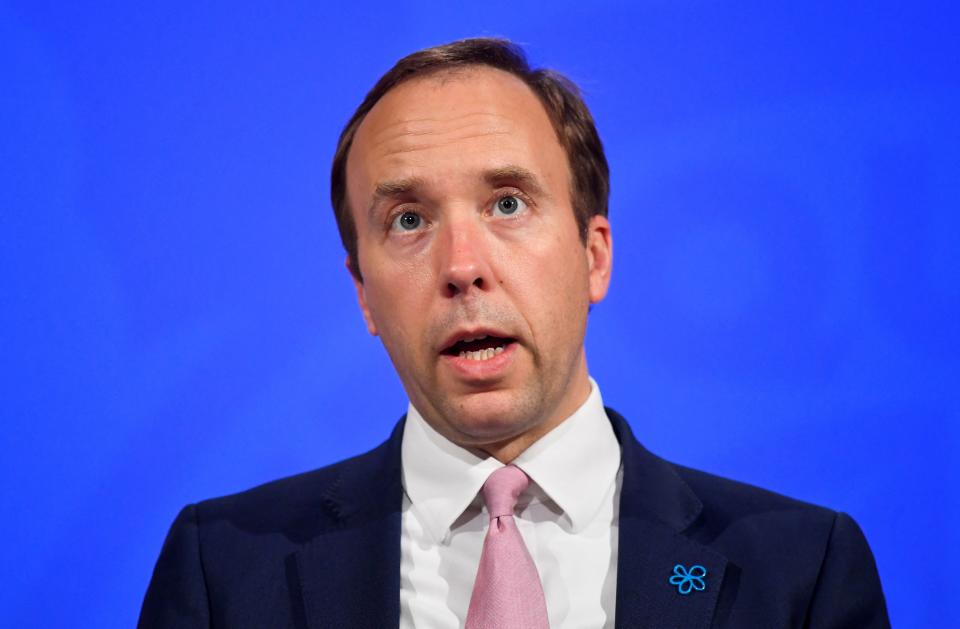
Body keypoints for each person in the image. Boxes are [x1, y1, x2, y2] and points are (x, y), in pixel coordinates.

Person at [139, 38, 890, 628]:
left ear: (594, 256)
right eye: (408, 221)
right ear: (363, 293)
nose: (462, 266)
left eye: (506, 204)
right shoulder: (225, 569)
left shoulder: (800, 572)